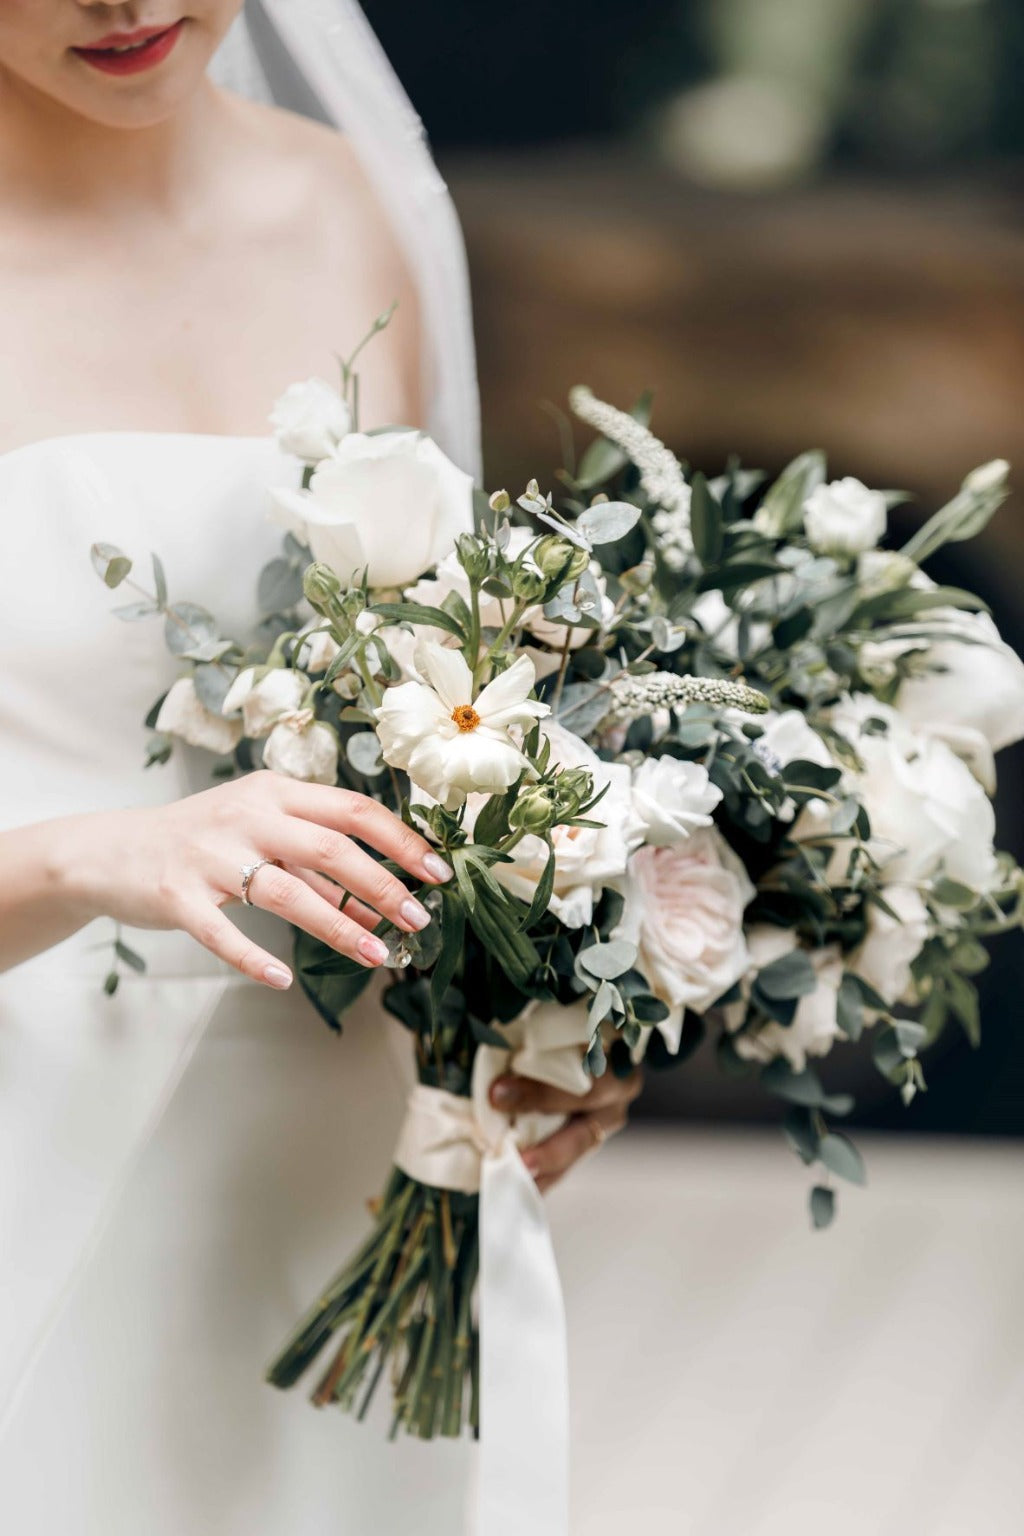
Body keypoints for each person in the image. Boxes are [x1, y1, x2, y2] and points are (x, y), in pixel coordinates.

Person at [0, 3, 640, 1529]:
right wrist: (86, 857)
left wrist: (541, 992)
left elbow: (452, 689)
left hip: (343, 1170)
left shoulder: (357, 201)